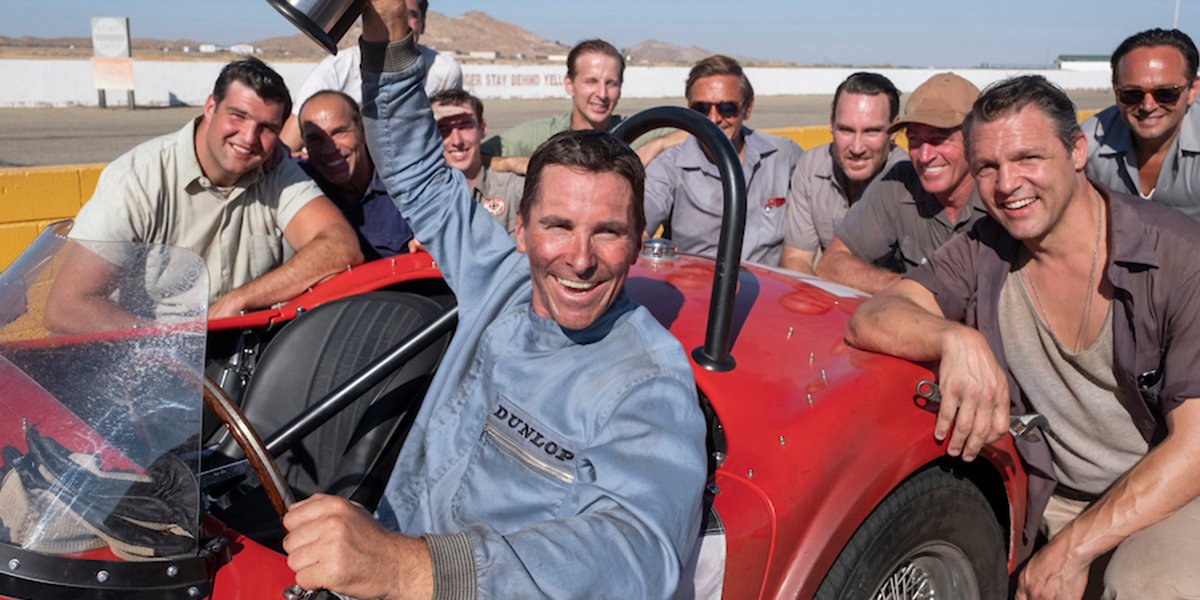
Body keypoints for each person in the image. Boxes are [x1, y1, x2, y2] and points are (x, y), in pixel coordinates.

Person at [280, 2, 708, 598]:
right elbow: (419, 172)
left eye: (607, 232)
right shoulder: (498, 280)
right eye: (558, 226)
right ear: (522, 229)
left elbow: (635, 550)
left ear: (638, 242)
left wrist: (409, 568)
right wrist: (389, 34)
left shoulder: (646, 380)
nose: (580, 259)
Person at [847, 75, 1200, 599]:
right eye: (988, 166)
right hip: (1049, 490)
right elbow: (872, 317)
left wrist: (1073, 548)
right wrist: (954, 340)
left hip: (1166, 492)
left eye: (1028, 158)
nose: (1007, 184)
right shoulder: (986, 245)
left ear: (1076, 151)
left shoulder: (1175, 254)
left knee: (1148, 586)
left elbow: (1194, 445)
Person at [60, 57, 361, 328]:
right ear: (210, 107)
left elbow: (341, 248)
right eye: (238, 116)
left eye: (267, 127)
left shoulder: (274, 170)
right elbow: (67, 305)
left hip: (244, 357)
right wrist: (169, 348)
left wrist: (239, 300)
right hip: (148, 357)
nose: (249, 137)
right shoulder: (139, 178)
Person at [817, 72, 987, 293]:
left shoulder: (1001, 192)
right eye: (915, 138)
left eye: (939, 139)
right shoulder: (899, 183)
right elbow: (830, 265)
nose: (924, 155)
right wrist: (918, 290)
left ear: (975, 139)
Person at [643, 54, 802, 265]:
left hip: (767, 291)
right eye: (701, 109)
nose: (713, 119)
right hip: (698, 292)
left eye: (727, 108)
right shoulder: (669, 166)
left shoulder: (783, 156)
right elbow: (637, 229)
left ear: (747, 108)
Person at [279, 0, 463, 153]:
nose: (398, 20)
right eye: (385, 14)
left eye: (411, 15)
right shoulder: (336, 70)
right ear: (366, 20)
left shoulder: (443, 72)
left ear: (423, 24)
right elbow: (288, 144)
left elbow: (451, 137)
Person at [479, 38, 679, 173]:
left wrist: (656, 145)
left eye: (611, 83)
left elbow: (698, 129)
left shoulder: (634, 131)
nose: (602, 94)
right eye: (591, 81)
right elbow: (478, 157)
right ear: (569, 84)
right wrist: (512, 163)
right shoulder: (542, 134)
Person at [780, 72, 907, 274]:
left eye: (871, 131)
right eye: (846, 130)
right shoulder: (811, 166)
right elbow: (797, 259)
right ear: (830, 124)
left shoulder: (910, 182)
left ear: (894, 130)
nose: (857, 147)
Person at [1082, 28, 1200, 220]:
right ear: (1115, 91)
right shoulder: (1084, 146)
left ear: (1193, 89)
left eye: (1165, 93)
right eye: (1132, 94)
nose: (1148, 106)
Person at [298, 90, 414, 259]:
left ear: (363, 132)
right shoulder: (298, 184)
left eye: (339, 132)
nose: (329, 149)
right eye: (315, 139)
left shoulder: (409, 182)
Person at [429, 89, 523, 237]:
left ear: (483, 129)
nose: (457, 141)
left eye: (465, 126)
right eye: (443, 129)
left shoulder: (513, 188)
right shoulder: (421, 195)